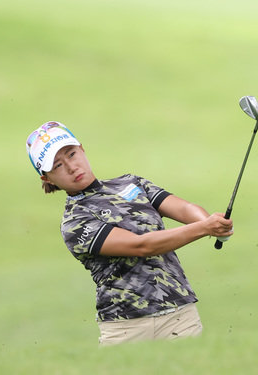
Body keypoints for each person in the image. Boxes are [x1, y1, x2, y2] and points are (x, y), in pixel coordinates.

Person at [26, 121, 234, 346]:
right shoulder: (74, 222)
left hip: (179, 316)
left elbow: (183, 208)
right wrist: (205, 228)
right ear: (46, 179)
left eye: (72, 154)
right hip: (125, 328)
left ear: (82, 149)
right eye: (57, 165)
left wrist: (212, 224)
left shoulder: (131, 183)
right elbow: (141, 246)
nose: (71, 167)